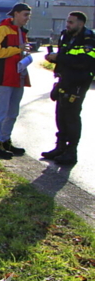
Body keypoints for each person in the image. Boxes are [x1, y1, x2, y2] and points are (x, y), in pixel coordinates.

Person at [40, 11, 95, 166]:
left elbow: (85, 61)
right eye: (67, 21)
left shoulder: (88, 38)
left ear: (81, 23)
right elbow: (64, 55)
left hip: (78, 82)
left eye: (71, 22)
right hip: (64, 80)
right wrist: (54, 61)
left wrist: (59, 58)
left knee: (71, 116)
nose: (68, 24)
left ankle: (71, 153)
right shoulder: (66, 35)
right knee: (61, 115)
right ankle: (60, 147)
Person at [0, 3, 32, 159]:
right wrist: (18, 48)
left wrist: (25, 55)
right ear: (16, 14)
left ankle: (5, 140)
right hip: (4, 77)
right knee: (0, 111)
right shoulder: (2, 30)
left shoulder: (21, 31)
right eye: (25, 14)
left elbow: (19, 51)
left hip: (18, 76)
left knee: (12, 112)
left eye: (28, 15)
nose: (28, 18)